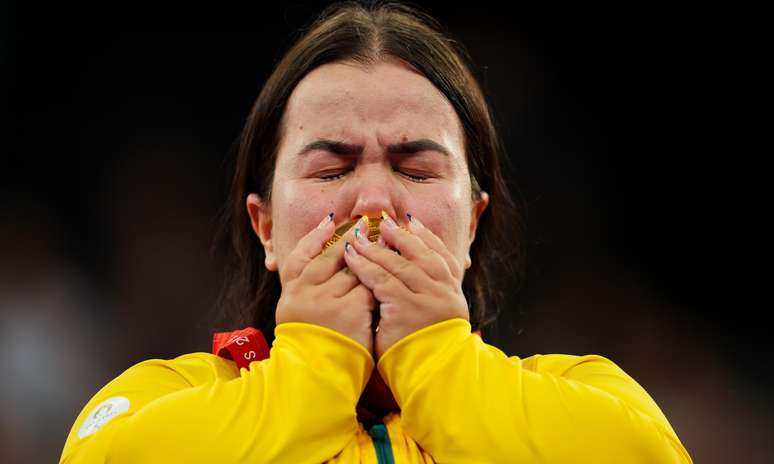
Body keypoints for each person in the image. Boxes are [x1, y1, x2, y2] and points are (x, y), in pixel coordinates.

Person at [60, 2, 693, 463]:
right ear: (267, 228)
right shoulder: (159, 403)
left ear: (471, 225)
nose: (372, 203)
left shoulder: (587, 402)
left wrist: (438, 361)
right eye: (332, 168)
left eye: (415, 171)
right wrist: (314, 367)